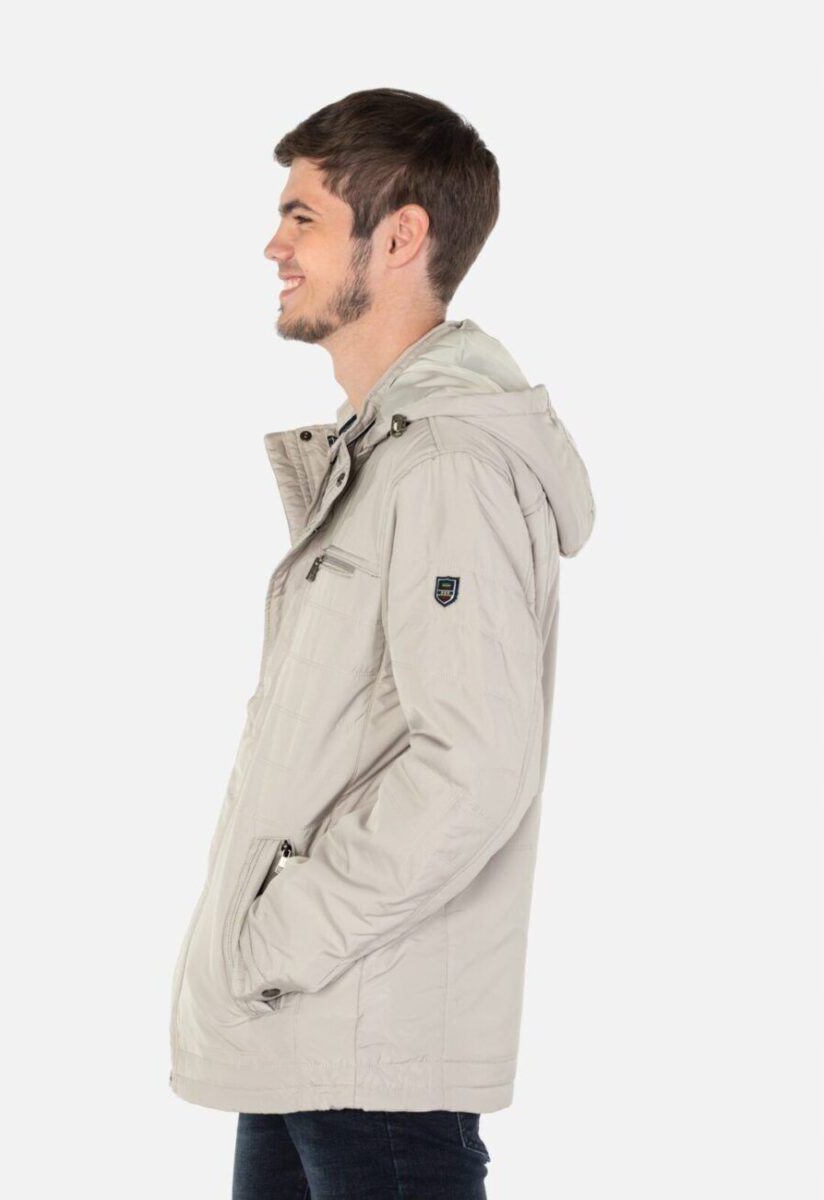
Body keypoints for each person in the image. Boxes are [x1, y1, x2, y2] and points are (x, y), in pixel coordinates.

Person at [169, 87, 595, 1199]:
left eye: (302, 217)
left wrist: (279, 937)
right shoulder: (385, 460)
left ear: (400, 237)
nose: (273, 246)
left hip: (370, 1051)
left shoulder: (446, 467)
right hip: (311, 1039)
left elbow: (473, 765)